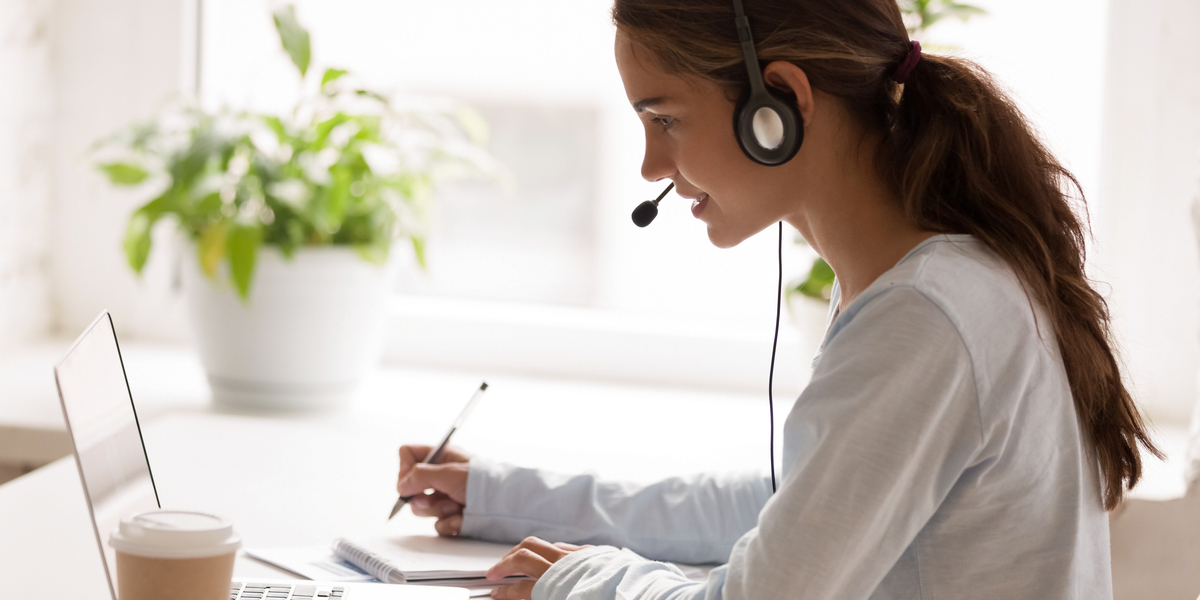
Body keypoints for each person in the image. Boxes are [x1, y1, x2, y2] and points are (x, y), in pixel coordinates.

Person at [396, 0, 1161, 598]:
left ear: (780, 104)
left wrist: (577, 581)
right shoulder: (926, 280)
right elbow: (792, 506)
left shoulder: (926, 316)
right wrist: (513, 498)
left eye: (664, 118)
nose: (648, 165)